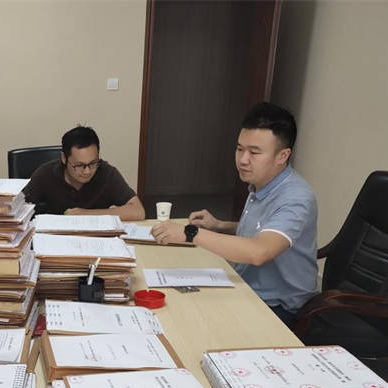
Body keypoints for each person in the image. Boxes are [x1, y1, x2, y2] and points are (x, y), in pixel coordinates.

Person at [151, 102, 317, 325]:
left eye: (254, 152)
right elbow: (262, 230)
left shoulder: (296, 198)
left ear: (282, 156)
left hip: (279, 307)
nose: (243, 160)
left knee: (189, 319)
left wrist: (190, 233)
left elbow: (260, 251)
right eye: (240, 149)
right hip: (247, 285)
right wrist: (219, 226)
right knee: (174, 304)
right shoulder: (262, 182)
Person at [23, 125, 145, 220]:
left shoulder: (106, 173)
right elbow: (19, 210)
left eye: (93, 163)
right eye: (80, 165)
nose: (87, 171)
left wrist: (85, 214)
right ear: (64, 158)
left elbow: (138, 211)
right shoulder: (45, 174)